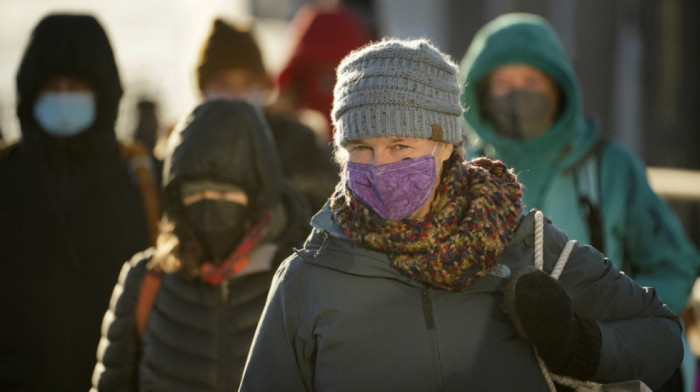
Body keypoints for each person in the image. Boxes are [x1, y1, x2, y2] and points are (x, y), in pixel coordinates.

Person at [239, 38, 682, 391]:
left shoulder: (527, 244)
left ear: (446, 145)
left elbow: (661, 338)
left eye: (400, 146)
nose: (378, 166)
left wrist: (576, 345)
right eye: (360, 148)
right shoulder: (309, 276)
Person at [458, 13, 700, 391]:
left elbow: (674, 265)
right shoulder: (464, 175)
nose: (517, 95)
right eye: (503, 83)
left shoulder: (609, 167)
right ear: (481, 92)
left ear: (557, 87)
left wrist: (618, 323)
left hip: (603, 362)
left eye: (531, 81)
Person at [91, 99, 311, 391]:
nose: (209, 201)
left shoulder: (303, 280)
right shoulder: (146, 280)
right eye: (195, 191)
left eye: (224, 189)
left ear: (258, 194)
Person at [0, 14, 152, 391]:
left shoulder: (138, 183)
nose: (64, 97)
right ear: (30, 93)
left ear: (103, 95)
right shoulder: (7, 178)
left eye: (77, 87)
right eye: (54, 87)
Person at [196, 17, 339, 213]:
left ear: (263, 86)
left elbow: (326, 202)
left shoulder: (297, 140)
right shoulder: (186, 145)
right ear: (204, 89)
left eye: (247, 83)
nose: (237, 94)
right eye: (224, 83)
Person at [275, 1, 371, 142]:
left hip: (312, 135)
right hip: (347, 132)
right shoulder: (345, 24)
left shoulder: (311, 21)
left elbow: (286, 82)